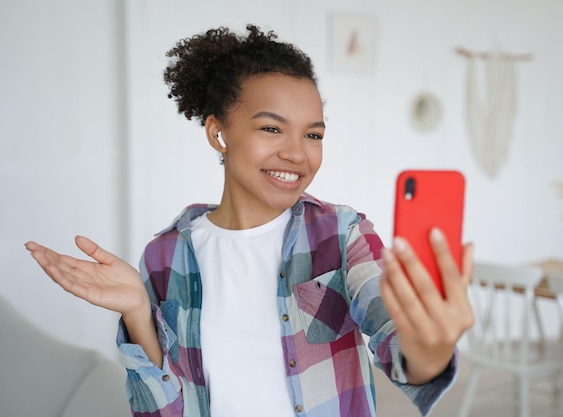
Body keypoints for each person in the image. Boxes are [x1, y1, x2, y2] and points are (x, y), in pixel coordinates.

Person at [24, 24, 474, 417]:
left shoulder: (342, 234)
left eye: (313, 134)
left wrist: (428, 352)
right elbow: (159, 411)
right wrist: (138, 313)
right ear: (218, 132)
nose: (297, 153)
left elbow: (395, 337)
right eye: (272, 128)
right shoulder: (164, 256)